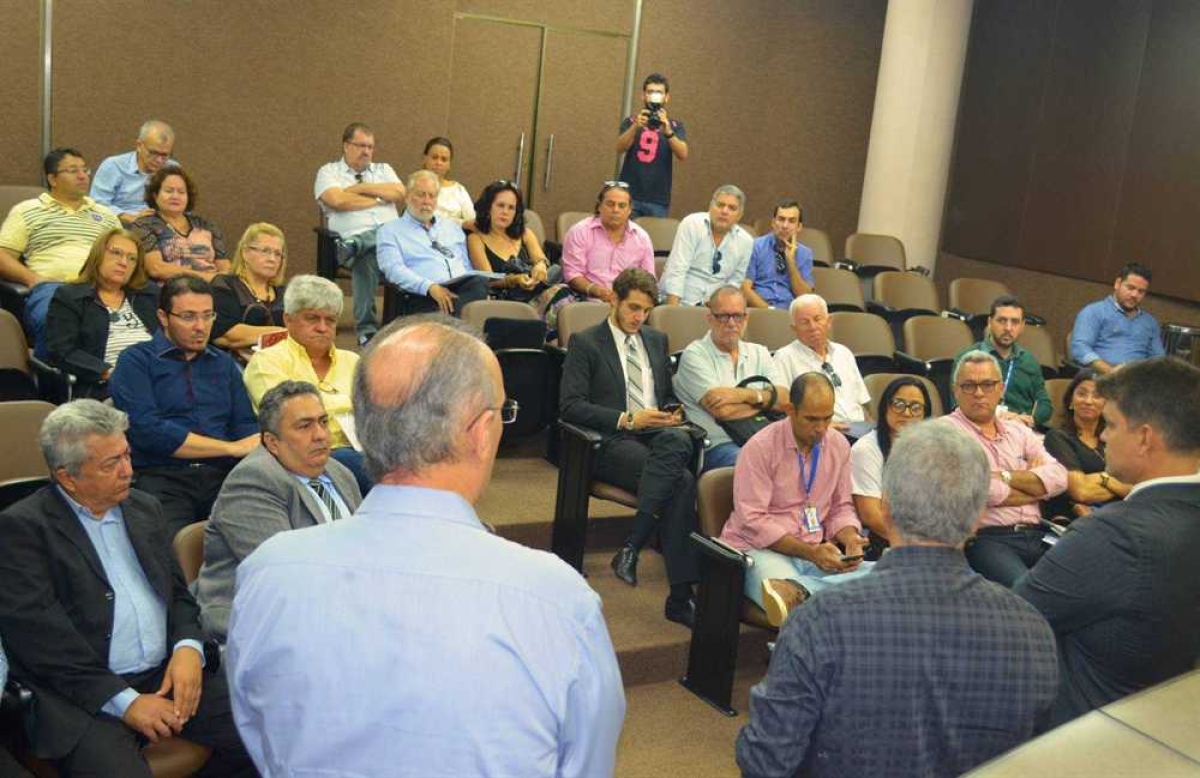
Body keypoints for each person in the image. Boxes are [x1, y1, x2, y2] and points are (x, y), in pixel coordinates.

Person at [226, 317, 626, 776]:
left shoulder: (268, 572)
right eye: (502, 412)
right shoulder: (557, 600)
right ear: (480, 431)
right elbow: (586, 765)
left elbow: (258, 731)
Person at [737, 421, 1058, 778]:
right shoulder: (1033, 629)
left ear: (885, 509)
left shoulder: (818, 622)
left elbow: (766, 762)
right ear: (978, 518)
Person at [0, 400, 255, 777]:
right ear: (67, 477)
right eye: (110, 464)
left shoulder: (145, 508)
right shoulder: (22, 530)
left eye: (127, 455)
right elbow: (43, 645)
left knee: (269, 729)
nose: (128, 471)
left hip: (164, 673)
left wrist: (188, 649)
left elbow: (179, 597)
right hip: (84, 696)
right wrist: (125, 701)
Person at [1015, 357, 1200, 726]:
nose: (1102, 436)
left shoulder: (1114, 535)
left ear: (1145, 438)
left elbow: (1014, 617)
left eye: (1111, 424)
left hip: (1084, 739)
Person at [559, 268, 700, 627]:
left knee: (678, 438)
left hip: (655, 436)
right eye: (633, 308)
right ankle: (677, 593)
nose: (639, 317)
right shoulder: (586, 342)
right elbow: (570, 406)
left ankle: (631, 549)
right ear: (614, 300)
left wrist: (671, 413)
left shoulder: (656, 340)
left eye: (646, 310)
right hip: (610, 440)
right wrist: (626, 419)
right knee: (681, 481)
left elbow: (664, 396)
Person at [195, 381, 362, 643]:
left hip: (334, 611)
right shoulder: (253, 481)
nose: (320, 435)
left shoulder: (339, 472)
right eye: (304, 426)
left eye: (323, 421)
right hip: (262, 626)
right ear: (272, 442)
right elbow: (286, 577)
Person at [109, 276, 259, 540]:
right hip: (163, 477)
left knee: (255, 542)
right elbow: (149, 432)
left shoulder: (223, 363)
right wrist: (230, 448)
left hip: (223, 477)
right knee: (174, 556)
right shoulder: (136, 361)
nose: (201, 327)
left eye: (208, 315)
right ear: (163, 317)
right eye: (188, 317)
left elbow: (244, 426)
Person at [719, 373, 872, 627]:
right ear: (790, 410)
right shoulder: (759, 448)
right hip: (760, 550)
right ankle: (810, 593)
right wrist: (811, 553)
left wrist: (850, 536)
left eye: (827, 418)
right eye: (811, 419)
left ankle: (804, 591)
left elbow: (840, 508)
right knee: (792, 603)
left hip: (813, 552)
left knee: (892, 579)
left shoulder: (838, 445)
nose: (821, 428)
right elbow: (753, 521)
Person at [944, 350, 1067, 587]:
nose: (979, 393)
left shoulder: (1019, 430)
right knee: (1029, 592)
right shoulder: (945, 433)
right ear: (955, 390)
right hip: (987, 539)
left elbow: (1059, 477)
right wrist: (1035, 485)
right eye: (969, 385)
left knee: (1081, 586)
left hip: (1039, 533)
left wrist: (1003, 476)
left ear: (1000, 388)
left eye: (987, 385)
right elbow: (975, 490)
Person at [243, 275, 370, 494]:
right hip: (299, 456)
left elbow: (375, 415)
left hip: (358, 451)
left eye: (330, 320)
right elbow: (289, 417)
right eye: (312, 318)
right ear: (288, 319)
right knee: (372, 468)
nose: (322, 327)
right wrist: (346, 405)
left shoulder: (353, 361)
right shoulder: (268, 360)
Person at [0, 148, 120, 346]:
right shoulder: (27, 211)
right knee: (59, 323)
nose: (83, 176)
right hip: (55, 288)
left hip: (104, 286)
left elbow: (127, 254)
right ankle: (57, 376)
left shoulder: (106, 215)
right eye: (73, 171)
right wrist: (33, 279)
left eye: (85, 170)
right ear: (53, 179)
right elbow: (3, 255)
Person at [674, 286, 789, 471]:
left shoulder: (759, 352)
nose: (731, 323)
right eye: (723, 316)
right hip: (719, 446)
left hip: (762, 438)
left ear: (746, 318)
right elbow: (723, 411)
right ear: (710, 318)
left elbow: (784, 400)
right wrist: (766, 401)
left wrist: (742, 395)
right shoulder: (695, 354)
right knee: (761, 465)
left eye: (738, 316)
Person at [314, 122, 406, 346]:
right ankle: (366, 330)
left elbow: (400, 193)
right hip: (347, 240)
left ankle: (366, 330)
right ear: (346, 145)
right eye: (361, 145)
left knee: (376, 244)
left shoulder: (383, 170)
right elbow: (338, 200)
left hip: (393, 242)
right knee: (367, 258)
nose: (367, 151)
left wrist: (358, 189)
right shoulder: (328, 172)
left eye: (371, 147)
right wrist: (378, 198)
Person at [44, 228, 157, 397]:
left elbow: (171, 338)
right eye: (116, 253)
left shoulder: (147, 295)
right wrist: (108, 372)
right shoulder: (71, 296)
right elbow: (61, 351)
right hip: (108, 386)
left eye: (132, 259)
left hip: (159, 377)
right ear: (98, 255)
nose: (124, 262)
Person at [376, 170, 489, 317]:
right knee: (473, 312)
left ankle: (451, 317)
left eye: (432, 196)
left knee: (479, 282)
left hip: (458, 291)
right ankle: (455, 320)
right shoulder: (389, 231)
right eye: (421, 194)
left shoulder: (452, 227)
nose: (427, 201)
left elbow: (465, 265)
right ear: (408, 197)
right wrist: (429, 287)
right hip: (422, 293)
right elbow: (393, 269)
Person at [850, 376, 933, 552]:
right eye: (899, 404)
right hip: (883, 541)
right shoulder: (866, 450)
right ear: (885, 407)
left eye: (916, 407)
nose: (907, 413)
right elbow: (870, 516)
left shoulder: (929, 448)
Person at [1041, 368, 1131, 520]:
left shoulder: (1114, 437)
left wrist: (1102, 479)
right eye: (1082, 394)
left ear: (1106, 404)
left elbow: (1136, 489)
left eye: (1097, 396)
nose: (1088, 401)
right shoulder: (1057, 437)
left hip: (1122, 514)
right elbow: (1081, 492)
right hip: (1077, 519)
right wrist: (1116, 484)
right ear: (1071, 401)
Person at [952, 294, 1051, 428]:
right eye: (1002, 321)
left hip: (1021, 429)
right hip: (978, 428)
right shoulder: (968, 359)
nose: (1008, 328)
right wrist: (997, 417)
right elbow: (957, 403)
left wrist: (1028, 420)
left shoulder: (1029, 361)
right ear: (989, 322)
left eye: (1015, 322)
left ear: (1022, 326)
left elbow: (1044, 404)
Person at [772, 294, 870, 426]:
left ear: (829, 321)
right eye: (804, 322)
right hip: (821, 431)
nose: (813, 327)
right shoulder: (784, 357)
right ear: (794, 329)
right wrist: (823, 425)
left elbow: (861, 404)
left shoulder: (844, 353)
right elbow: (783, 407)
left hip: (859, 428)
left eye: (817, 319)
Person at [466, 179, 562, 305]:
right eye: (500, 205)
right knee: (560, 299)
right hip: (505, 301)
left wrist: (541, 266)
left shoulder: (526, 233)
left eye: (511, 208)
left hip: (538, 293)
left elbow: (541, 259)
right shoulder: (476, 239)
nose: (505, 212)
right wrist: (514, 280)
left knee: (561, 291)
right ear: (488, 207)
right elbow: (488, 280)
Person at [561, 181, 656, 304]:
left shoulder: (641, 237)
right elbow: (572, 274)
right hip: (586, 299)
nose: (616, 210)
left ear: (629, 210)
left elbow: (648, 279)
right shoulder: (580, 231)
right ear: (599, 206)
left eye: (622, 206)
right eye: (610, 204)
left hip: (626, 305)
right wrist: (595, 290)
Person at [131, 165, 229, 282]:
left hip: (213, 290)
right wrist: (205, 278)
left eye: (181, 192)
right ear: (155, 195)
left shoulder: (206, 224)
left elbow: (225, 266)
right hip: (171, 291)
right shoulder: (144, 224)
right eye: (169, 191)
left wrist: (222, 281)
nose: (175, 196)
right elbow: (156, 268)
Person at [659, 185, 753, 306]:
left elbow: (735, 282)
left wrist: (718, 309)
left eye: (732, 208)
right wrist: (673, 311)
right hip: (680, 302)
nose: (724, 211)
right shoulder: (692, 224)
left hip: (715, 309)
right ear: (710, 207)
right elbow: (677, 269)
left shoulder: (746, 241)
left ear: (739, 215)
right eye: (720, 205)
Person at [1070, 262, 1165, 373]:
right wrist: (1110, 371)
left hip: (1137, 382)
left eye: (1141, 291)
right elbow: (1080, 348)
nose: (1135, 295)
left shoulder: (1150, 322)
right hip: (1101, 378)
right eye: (1130, 288)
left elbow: (1159, 359)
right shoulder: (1093, 312)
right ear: (1117, 283)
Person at [615, 73, 688, 218]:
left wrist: (668, 131)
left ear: (667, 97)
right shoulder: (631, 121)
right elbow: (619, 148)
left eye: (659, 92)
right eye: (650, 92)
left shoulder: (675, 125)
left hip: (658, 199)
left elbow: (683, 154)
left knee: (654, 238)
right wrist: (635, 126)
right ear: (643, 96)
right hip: (629, 195)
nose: (654, 96)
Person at [209, 223, 287, 352]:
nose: (272, 259)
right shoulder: (225, 286)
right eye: (265, 251)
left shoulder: (285, 294)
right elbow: (227, 334)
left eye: (278, 254)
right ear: (245, 253)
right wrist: (283, 334)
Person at [90, 120, 177, 224]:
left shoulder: (173, 169)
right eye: (153, 153)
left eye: (165, 155)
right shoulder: (114, 166)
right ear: (139, 145)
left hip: (162, 227)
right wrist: (130, 217)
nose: (159, 160)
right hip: (120, 226)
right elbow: (97, 205)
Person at [743, 199, 813, 310]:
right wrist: (770, 312)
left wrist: (791, 261)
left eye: (791, 221)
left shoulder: (805, 254)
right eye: (781, 219)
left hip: (790, 314)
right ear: (773, 223)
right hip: (760, 311)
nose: (785, 225)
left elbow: (804, 297)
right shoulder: (755, 246)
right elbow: (745, 289)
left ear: (799, 227)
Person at [421, 137, 475, 228]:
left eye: (444, 159)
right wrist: (460, 223)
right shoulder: (415, 187)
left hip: (455, 239)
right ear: (425, 159)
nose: (438, 163)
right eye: (434, 157)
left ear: (449, 165)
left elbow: (472, 221)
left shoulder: (459, 190)